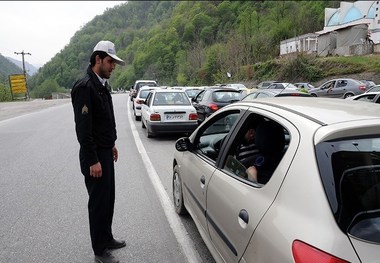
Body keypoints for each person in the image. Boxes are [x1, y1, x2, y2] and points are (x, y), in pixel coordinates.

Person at [71, 40, 126, 263]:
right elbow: (83, 130)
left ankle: (107, 237)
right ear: (98, 59)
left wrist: (111, 143)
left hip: (104, 151)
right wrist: (93, 159)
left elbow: (103, 122)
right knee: (98, 203)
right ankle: (100, 251)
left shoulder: (102, 85)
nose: (113, 66)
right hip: (94, 156)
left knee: (108, 199)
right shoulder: (85, 87)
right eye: (110, 61)